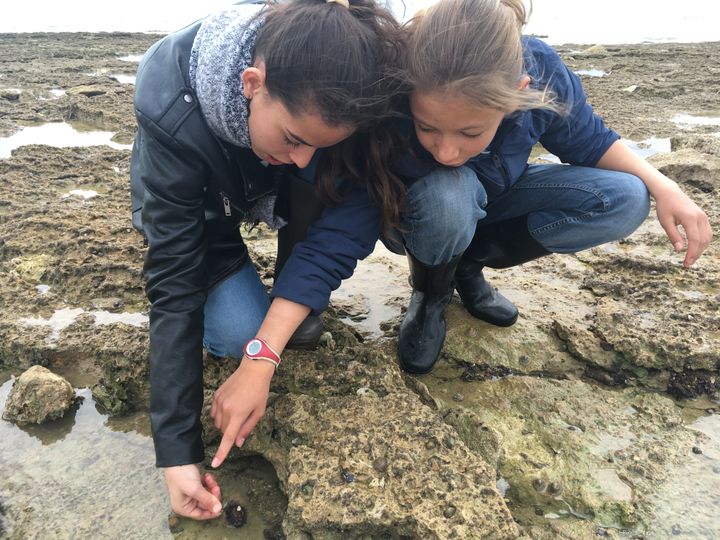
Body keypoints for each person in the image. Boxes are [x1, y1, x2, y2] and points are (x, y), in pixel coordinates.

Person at [130, 0, 403, 520]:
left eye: (319, 146)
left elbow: (344, 212)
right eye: (294, 139)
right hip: (199, 206)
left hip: (264, 181)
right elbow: (174, 282)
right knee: (237, 332)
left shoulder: (350, 85)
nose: (302, 157)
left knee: (268, 326)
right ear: (252, 83)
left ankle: (289, 290)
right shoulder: (170, 109)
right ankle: (245, 271)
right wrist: (176, 451)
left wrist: (266, 353)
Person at [384, 0, 712, 374]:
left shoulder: (541, 69)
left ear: (521, 91)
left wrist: (664, 184)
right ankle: (430, 292)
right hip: (418, 213)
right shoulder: (397, 72)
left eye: (470, 132)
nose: (446, 151)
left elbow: (590, 142)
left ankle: (466, 266)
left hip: (498, 193)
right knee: (446, 193)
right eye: (427, 127)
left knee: (627, 197)